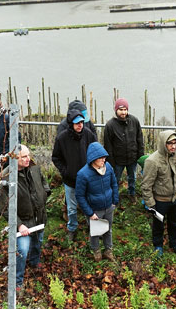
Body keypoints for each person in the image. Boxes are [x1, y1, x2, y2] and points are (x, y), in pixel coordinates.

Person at [0, 145, 49, 292]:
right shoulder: (5, 178)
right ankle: (17, 281)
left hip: (39, 217)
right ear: (14, 159)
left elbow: (43, 181)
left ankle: (34, 262)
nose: (28, 159)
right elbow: (5, 208)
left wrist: (45, 193)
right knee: (22, 250)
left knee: (37, 242)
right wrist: (19, 225)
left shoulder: (33, 167)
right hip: (23, 222)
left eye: (28, 155)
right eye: (23, 157)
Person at [51, 108, 97, 241]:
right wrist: (65, 172)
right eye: (77, 123)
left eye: (82, 122)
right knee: (71, 209)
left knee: (89, 205)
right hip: (70, 181)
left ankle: (92, 227)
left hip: (88, 179)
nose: (80, 125)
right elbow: (56, 158)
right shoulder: (61, 138)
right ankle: (72, 228)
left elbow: (96, 152)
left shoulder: (88, 134)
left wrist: (92, 170)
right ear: (71, 123)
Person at [142, 130, 176, 255]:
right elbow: (146, 185)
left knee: (174, 223)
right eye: (170, 143)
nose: (173, 146)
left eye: (175, 143)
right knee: (158, 224)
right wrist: (151, 203)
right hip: (160, 201)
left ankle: (175, 243)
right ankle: (158, 246)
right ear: (163, 144)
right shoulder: (152, 161)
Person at [75, 142, 119, 262]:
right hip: (94, 210)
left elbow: (114, 183)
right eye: (100, 158)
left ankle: (108, 251)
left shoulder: (108, 167)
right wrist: (90, 213)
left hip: (109, 206)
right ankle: (97, 252)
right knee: (95, 232)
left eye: (104, 157)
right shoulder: (83, 174)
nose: (103, 160)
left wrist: (114, 201)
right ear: (93, 158)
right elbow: (80, 196)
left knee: (108, 229)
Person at [102, 98, 143, 198]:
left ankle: (131, 194)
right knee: (115, 179)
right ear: (116, 110)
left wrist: (140, 155)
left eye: (125, 109)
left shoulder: (134, 121)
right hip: (117, 160)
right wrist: (110, 161)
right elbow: (108, 145)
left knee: (132, 177)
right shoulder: (110, 125)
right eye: (121, 110)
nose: (123, 112)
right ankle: (114, 197)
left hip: (132, 158)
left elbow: (140, 139)